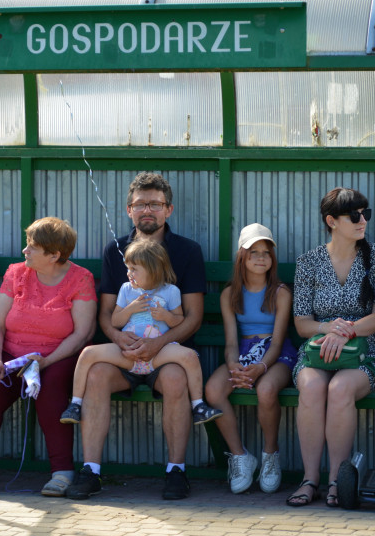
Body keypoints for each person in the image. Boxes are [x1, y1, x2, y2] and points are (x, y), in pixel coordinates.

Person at [67, 173, 207, 501]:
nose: (148, 210)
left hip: (167, 350)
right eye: (141, 204)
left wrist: (159, 342)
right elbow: (105, 314)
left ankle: (176, 471)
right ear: (129, 209)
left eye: (155, 204)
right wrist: (118, 338)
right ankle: (91, 470)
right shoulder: (115, 251)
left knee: (175, 379)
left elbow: (194, 316)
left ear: (168, 209)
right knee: (98, 374)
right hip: (125, 351)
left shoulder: (187, 251)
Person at [0, 217, 96, 496]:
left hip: (58, 356)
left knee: (51, 389)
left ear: (54, 255)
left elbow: (81, 334)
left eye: (32, 247)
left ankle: (62, 472)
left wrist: (47, 362)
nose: (24, 251)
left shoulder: (80, 279)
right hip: (12, 353)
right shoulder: (16, 273)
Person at [287, 188, 375, 507]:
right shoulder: (308, 262)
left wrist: (344, 332)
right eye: (354, 216)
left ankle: (337, 480)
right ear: (331, 221)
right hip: (319, 351)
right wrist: (327, 329)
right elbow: (302, 323)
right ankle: (309, 479)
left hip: (367, 351)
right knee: (311, 386)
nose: (362, 221)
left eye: (366, 214)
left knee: (340, 389)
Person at [60, 239, 219, 426]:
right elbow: (115, 321)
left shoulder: (171, 292)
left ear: (153, 269)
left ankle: (198, 405)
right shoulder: (126, 290)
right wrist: (130, 309)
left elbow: (179, 321)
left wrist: (166, 316)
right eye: (128, 268)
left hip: (159, 353)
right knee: (87, 354)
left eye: (134, 269)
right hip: (128, 354)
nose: (129, 274)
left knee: (190, 356)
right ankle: (76, 404)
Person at [205, 223, 295, 494]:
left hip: (275, 355)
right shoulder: (229, 294)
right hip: (244, 353)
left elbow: (278, 341)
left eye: (265, 253)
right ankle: (241, 457)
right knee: (212, 390)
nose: (260, 258)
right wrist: (234, 364)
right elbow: (232, 341)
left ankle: (270, 456)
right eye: (253, 252)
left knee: (266, 389)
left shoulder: (281, 293)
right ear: (241, 256)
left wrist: (262, 367)